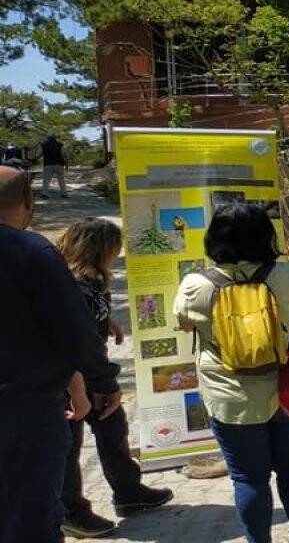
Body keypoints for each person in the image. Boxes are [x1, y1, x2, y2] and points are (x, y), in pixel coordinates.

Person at [174, 204, 289, 543]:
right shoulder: (284, 275)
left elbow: (184, 325)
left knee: (248, 479)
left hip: (232, 395)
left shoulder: (197, 284)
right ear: (265, 236)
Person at [0, 166, 123, 543]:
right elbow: (73, 329)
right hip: (26, 407)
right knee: (33, 512)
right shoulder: (32, 251)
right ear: (29, 201)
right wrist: (101, 382)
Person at [56, 218, 174, 537]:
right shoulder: (74, 285)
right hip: (73, 377)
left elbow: (90, 323)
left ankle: (129, 493)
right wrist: (105, 384)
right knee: (69, 445)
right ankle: (71, 511)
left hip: (91, 372)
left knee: (113, 431)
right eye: (116, 246)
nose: (119, 252)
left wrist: (106, 322)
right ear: (100, 249)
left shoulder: (92, 280)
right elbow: (77, 342)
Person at [39, 133, 68, 198]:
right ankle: (64, 194)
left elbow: (39, 154)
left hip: (48, 165)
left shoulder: (44, 145)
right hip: (59, 164)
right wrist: (66, 164)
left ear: (48, 138)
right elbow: (64, 154)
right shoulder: (60, 145)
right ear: (55, 138)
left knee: (46, 180)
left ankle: (45, 194)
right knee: (61, 179)